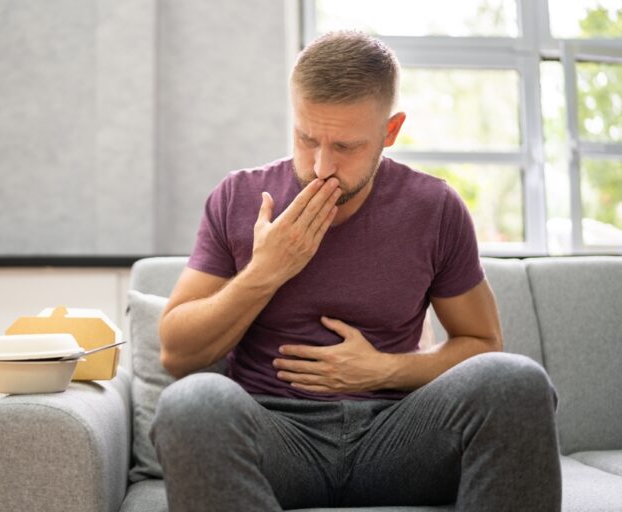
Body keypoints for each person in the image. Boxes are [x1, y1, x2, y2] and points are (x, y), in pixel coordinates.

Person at [151, 30, 561, 511]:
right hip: (276, 436)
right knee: (191, 404)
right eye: (307, 139)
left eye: (346, 147)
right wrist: (267, 271)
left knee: (516, 381)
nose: (322, 166)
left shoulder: (435, 208)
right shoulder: (238, 197)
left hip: (398, 435)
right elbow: (177, 355)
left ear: (390, 131)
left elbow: (483, 343)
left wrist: (385, 369)